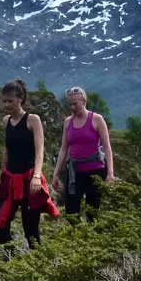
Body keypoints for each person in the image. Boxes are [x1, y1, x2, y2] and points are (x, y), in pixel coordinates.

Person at [0, 79, 59, 248]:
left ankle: (36, 268)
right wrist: (1, 177)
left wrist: (37, 177)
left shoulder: (32, 120)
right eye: (5, 101)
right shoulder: (6, 121)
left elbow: (40, 150)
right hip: (9, 179)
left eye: (11, 100)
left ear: (20, 99)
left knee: (31, 230)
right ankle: (13, 262)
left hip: (29, 180)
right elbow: (7, 151)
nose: (7, 104)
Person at [52, 86, 115, 220]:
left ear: (84, 101)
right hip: (75, 172)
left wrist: (110, 173)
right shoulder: (68, 122)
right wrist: (56, 173)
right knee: (71, 212)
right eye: (70, 104)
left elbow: (107, 147)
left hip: (96, 171)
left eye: (75, 104)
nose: (73, 107)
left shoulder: (97, 119)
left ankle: (92, 239)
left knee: (92, 212)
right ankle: (75, 239)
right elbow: (64, 148)